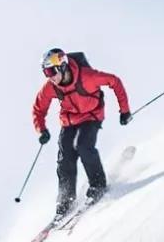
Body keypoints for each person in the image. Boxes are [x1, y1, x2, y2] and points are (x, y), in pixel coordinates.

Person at [32, 48, 131, 221]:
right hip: (69, 121)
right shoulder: (51, 87)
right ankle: (65, 200)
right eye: (45, 72)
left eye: (51, 71)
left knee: (84, 146)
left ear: (62, 67)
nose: (50, 76)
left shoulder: (88, 77)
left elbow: (115, 81)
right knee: (65, 158)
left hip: (91, 116)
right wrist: (42, 129)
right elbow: (38, 108)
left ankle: (98, 185)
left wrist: (124, 111)